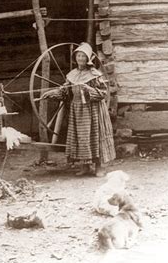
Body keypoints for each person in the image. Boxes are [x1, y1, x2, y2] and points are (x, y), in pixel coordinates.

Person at [42, 42, 115, 177]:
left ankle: (100, 167)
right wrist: (52, 93)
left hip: (93, 110)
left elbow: (103, 93)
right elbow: (65, 92)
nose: (80, 58)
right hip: (78, 111)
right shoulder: (72, 75)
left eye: (83, 56)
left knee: (95, 136)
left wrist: (89, 89)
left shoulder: (94, 74)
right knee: (81, 137)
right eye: (78, 56)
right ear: (75, 58)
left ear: (88, 58)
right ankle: (85, 166)